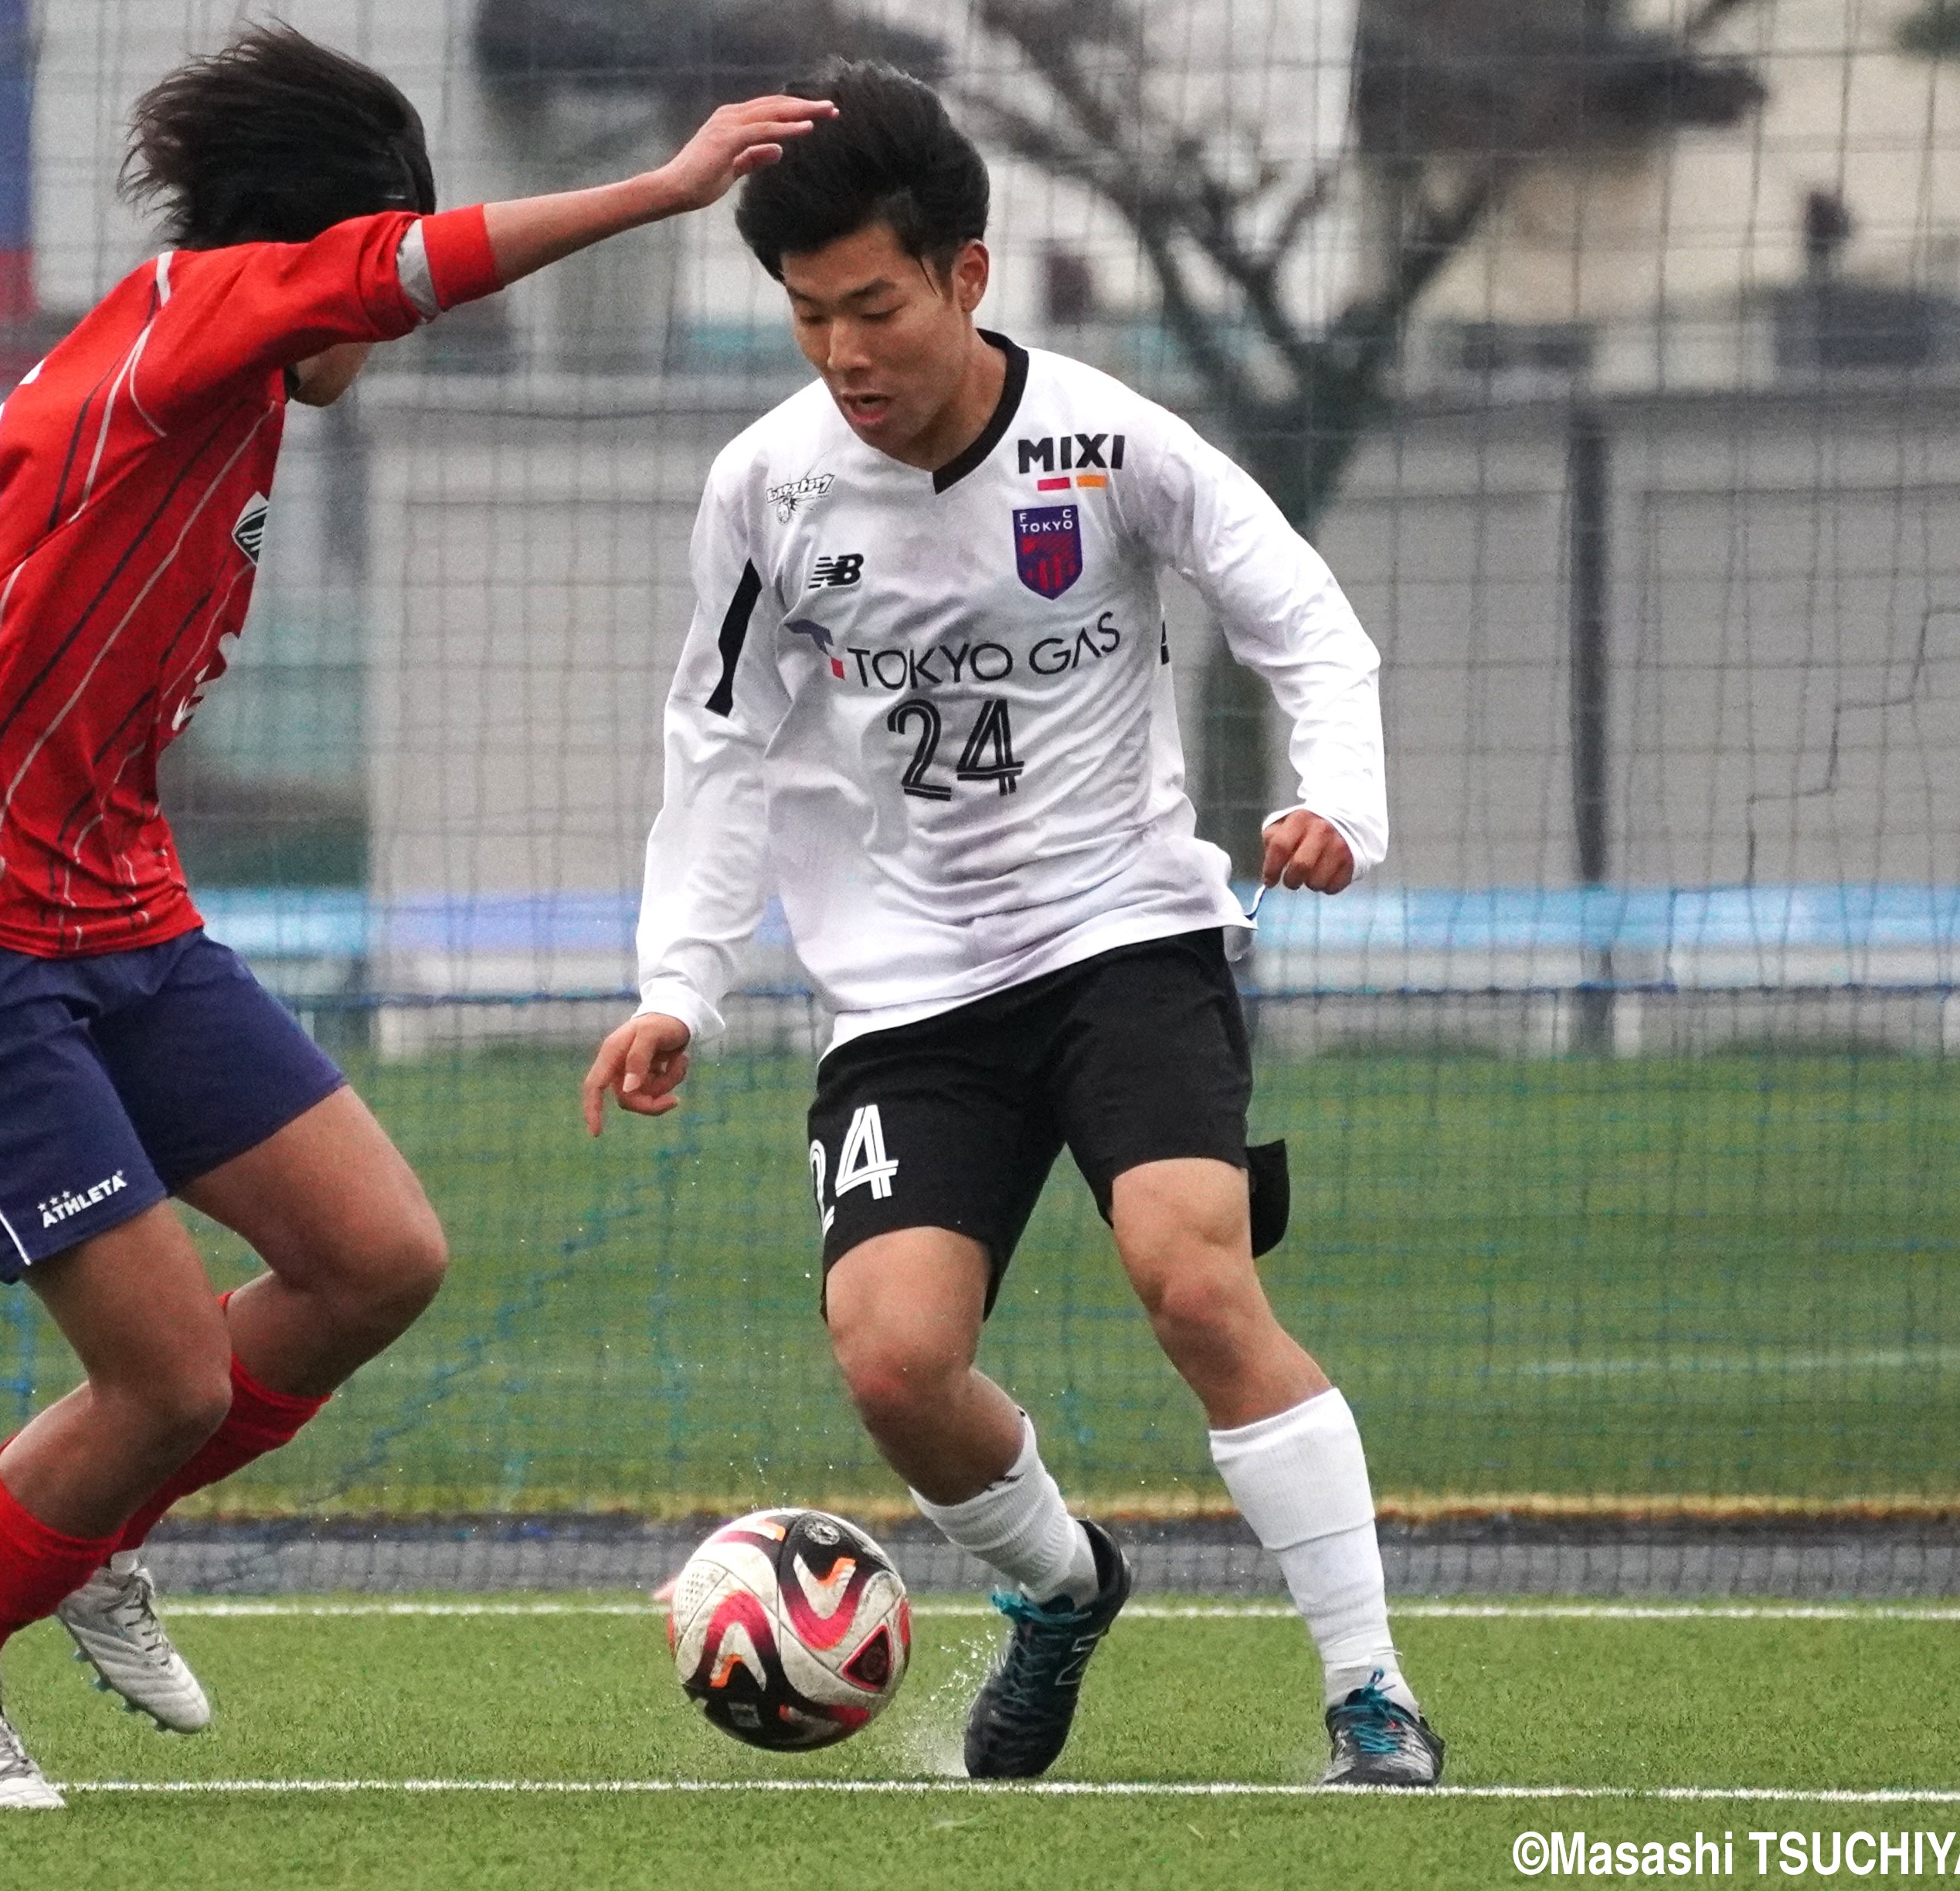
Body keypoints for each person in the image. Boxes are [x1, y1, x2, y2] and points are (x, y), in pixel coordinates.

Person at [0, 24, 831, 1809]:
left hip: (125, 925)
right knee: (162, 1382)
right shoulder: (193, 321)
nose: (384, 331)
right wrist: (662, 187)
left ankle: (84, 1530)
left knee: (377, 1260)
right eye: (365, 267)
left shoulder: (181, 396)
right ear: (308, 249)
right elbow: (394, 270)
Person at [581, 61, 1442, 1786]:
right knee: (897, 1363)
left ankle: (1370, 1694)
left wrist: (1336, 807)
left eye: (876, 306)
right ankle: (1059, 1587)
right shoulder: (766, 490)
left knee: (1191, 1274)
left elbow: (1305, 622)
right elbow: (721, 743)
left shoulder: (1112, 446)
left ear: (967, 277)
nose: (845, 354)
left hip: (1128, 936)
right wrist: (682, 979)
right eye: (809, 315)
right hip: (906, 994)